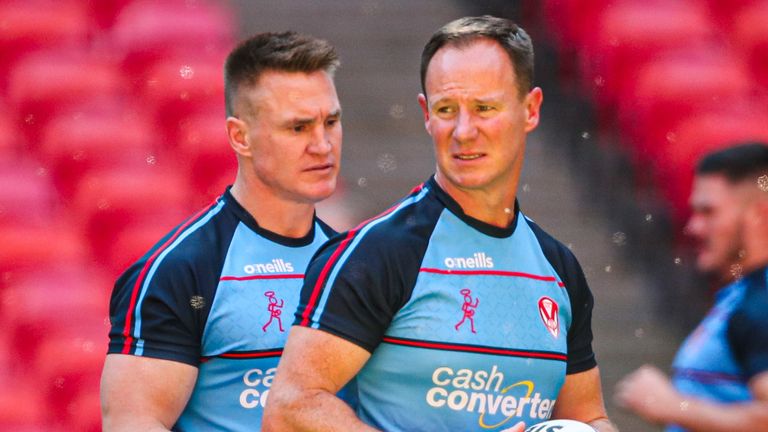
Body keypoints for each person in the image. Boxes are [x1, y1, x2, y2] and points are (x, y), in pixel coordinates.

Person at [264, 16, 616, 432]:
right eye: (447, 110)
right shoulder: (377, 252)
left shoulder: (559, 268)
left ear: (531, 109)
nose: (464, 131)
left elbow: (587, 418)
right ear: (426, 114)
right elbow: (290, 406)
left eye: (485, 108)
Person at [100, 31, 343, 431]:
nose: (322, 144)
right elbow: (134, 422)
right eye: (298, 128)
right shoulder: (181, 271)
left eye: (330, 121)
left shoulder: (352, 262)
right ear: (240, 137)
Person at [615, 143, 768, 431]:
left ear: (758, 215)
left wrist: (675, 405)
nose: (693, 227)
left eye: (708, 212)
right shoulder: (742, 295)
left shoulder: (761, 303)